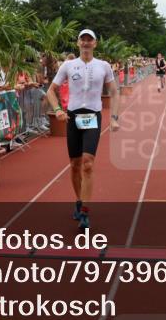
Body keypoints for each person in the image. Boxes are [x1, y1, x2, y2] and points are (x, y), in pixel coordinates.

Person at [45, 29, 119, 230]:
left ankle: (85, 211)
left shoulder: (103, 66)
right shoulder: (68, 65)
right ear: (78, 43)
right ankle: (79, 201)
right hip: (73, 117)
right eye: (83, 39)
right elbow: (51, 90)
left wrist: (114, 117)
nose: (86, 43)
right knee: (75, 164)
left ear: (95, 43)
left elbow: (114, 91)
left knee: (88, 163)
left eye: (90, 40)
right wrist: (58, 109)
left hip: (93, 116)